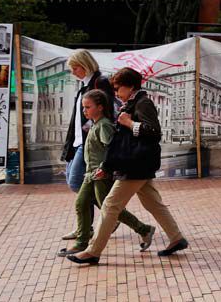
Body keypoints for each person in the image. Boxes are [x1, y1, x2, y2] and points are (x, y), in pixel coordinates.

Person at [67, 67, 188, 265]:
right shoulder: (133, 104)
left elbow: (154, 132)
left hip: (136, 165)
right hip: (138, 163)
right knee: (153, 203)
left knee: (110, 205)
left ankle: (93, 250)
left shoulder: (143, 103)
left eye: (118, 88)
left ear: (130, 87)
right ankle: (176, 238)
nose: (115, 93)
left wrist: (130, 123)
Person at [57, 90, 154, 256]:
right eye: (83, 107)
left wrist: (105, 168)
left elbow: (112, 149)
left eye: (88, 107)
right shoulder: (96, 124)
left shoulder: (104, 126)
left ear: (100, 107)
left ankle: (143, 229)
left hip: (101, 175)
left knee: (109, 209)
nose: (84, 111)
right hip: (91, 174)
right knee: (81, 204)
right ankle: (82, 241)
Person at [60, 50, 114, 242]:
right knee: (75, 182)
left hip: (88, 143)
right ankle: (92, 224)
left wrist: (91, 132)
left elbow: (107, 113)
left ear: (85, 65)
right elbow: (79, 116)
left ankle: (108, 217)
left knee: (77, 183)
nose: (73, 72)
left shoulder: (100, 82)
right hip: (77, 142)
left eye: (75, 68)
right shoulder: (85, 85)